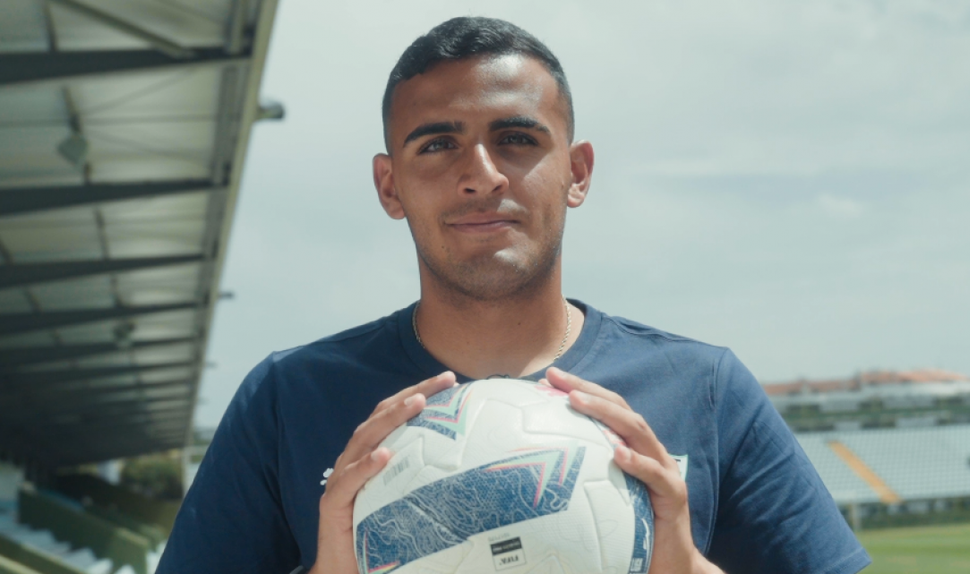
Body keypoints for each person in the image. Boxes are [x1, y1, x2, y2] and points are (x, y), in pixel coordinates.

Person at [157, 17, 870, 574]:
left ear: (577, 171)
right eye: (437, 145)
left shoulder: (703, 390)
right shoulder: (289, 398)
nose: (482, 175)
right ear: (388, 186)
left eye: (517, 138)